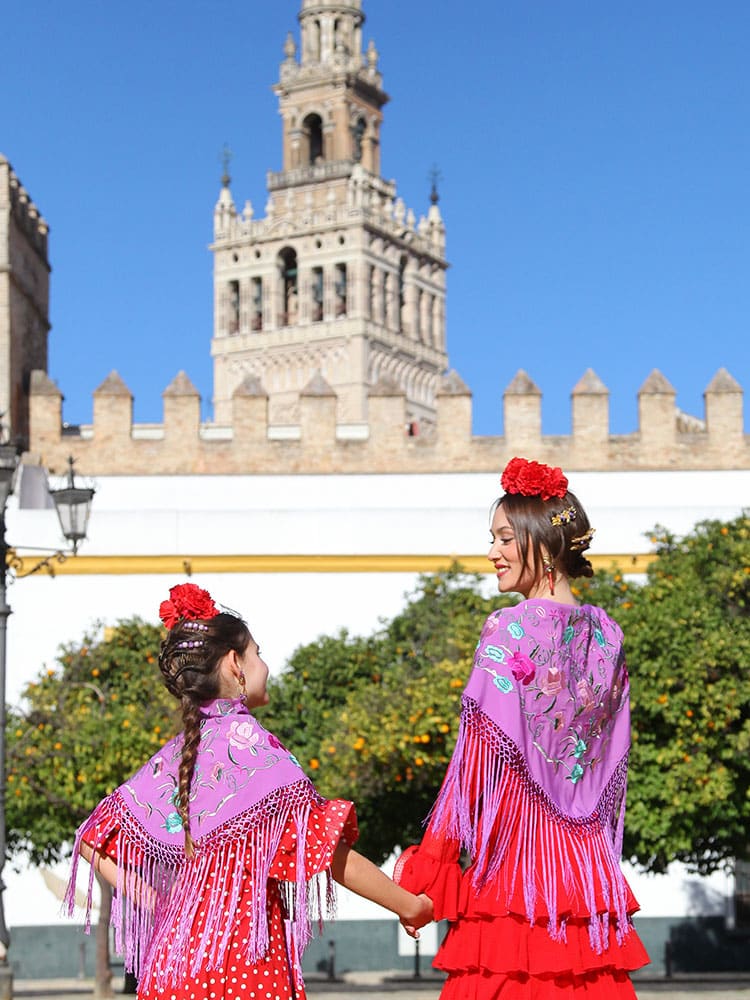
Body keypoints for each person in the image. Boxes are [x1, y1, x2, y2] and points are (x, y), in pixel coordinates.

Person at [66, 583, 432, 1000]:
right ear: (234, 664)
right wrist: (408, 904)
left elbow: (91, 839)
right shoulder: (254, 749)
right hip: (242, 965)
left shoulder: (171, 758)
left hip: (169, 969)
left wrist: (153, 899)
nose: (266, 666)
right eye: (258, 653)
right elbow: (329, 854)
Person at [395, 457, 650, 998]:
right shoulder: (607, 635)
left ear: (541, 542)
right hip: (585, 874)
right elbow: (605, 764)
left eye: (505, 539)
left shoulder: (509, 629)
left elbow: (473, 768)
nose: (492, 554)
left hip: (518, 868)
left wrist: (431, 867)